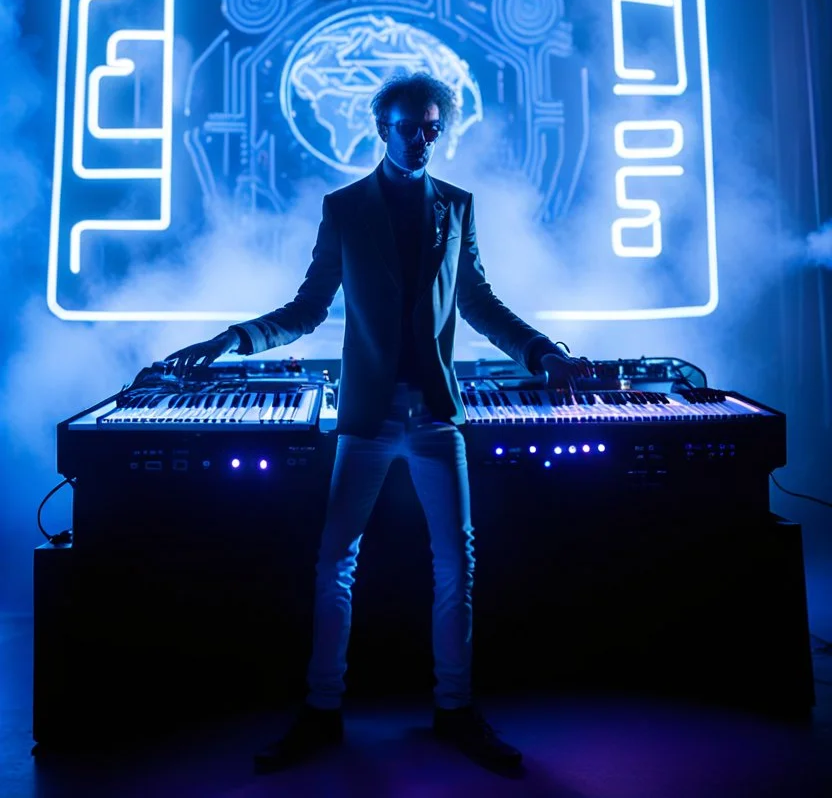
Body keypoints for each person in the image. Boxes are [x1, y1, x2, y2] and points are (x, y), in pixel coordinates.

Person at [165, 71, 590, 777]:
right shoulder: (344, 208)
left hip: (436, 416)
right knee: (335, 562)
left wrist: (543, 352)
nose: (421, 138)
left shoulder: (457, 206)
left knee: (458, 563)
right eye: (408, 126)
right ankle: (321, 710)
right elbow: (305, 310)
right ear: (379, 126)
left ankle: (455, 710)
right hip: (365, 416)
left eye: (431, 127)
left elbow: (480, 302)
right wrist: (232, 338)